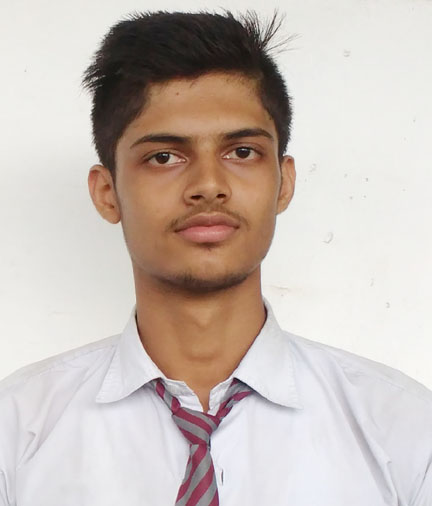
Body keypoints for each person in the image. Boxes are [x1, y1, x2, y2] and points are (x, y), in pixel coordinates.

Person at [0, 10, 431, 506]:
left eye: (242, 152)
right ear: (106, 193)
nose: (208, 185)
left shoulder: (405, 431)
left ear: (284, 183)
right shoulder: (18, 431)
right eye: (164, 157)